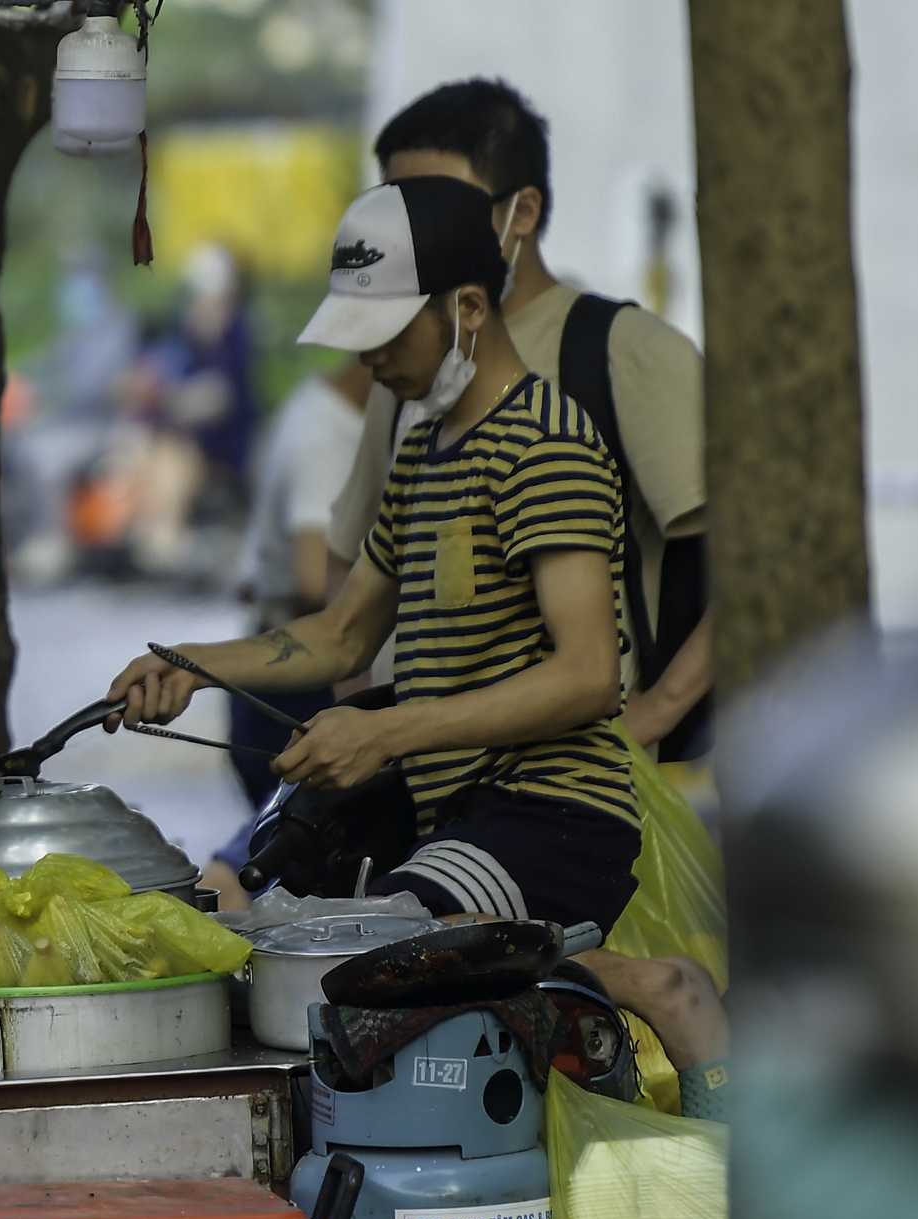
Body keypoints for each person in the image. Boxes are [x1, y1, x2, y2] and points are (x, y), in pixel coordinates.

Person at [109, 176, 728, 1116]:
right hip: (464, 815)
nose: (374, 360)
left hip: (555, 813)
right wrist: (194, 665)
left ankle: (653, 991)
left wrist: (389, 735)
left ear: (469, 307)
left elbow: (588, 675)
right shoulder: (425, 449)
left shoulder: (546, 446)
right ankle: (599, 1014)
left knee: (372, 959)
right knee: (304, 934)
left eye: (390, 334)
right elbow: (344, 631)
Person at [327, 79, 713, 759]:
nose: (414, 233)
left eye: (442, 207)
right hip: (414, 785)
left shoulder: (625, 353)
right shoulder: (409, 360)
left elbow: (748, 560)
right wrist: (355, 720)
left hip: (559, 807)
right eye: (400, 210)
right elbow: (351, 565)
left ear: (523, 211)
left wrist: (651, 716)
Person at [198, 361, 371, 906]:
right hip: (298, 684)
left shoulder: (318, 411)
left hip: (296, 667)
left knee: (281, 865)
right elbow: (314, 580)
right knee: (278, 866)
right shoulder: (326, 437)